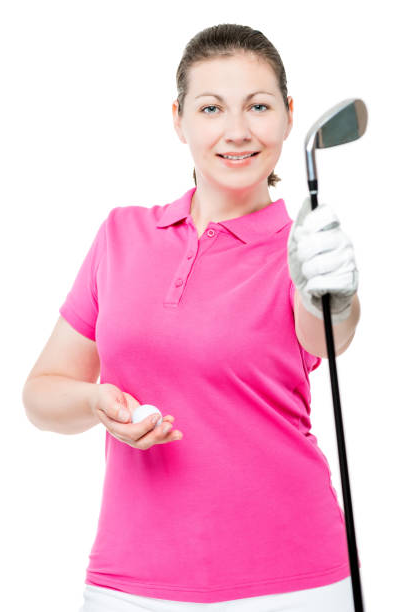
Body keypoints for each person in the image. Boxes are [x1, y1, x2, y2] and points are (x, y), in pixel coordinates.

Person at [22, 23, 361, 612]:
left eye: (258, 106)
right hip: (129, 585)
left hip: (294, 584)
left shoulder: (302, 246)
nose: (236, 132)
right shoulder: (121, 235)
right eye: (211, 108)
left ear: (286, 115)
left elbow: (329, 333)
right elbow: (42, 393)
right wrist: (94, 403)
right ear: (178, 119)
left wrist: (330, 292)